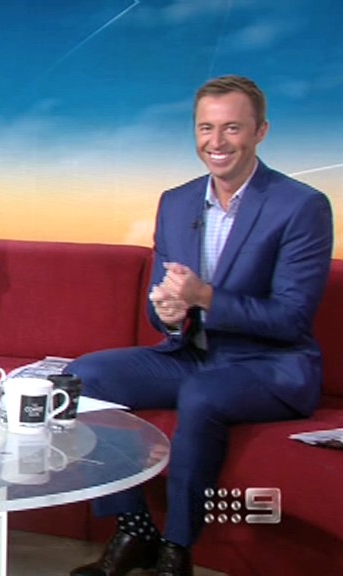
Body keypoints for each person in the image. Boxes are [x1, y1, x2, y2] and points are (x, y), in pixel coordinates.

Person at [68, 76, 334, 576]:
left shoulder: (301, 206)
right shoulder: (177, 202)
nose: (217, 141)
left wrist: (204, 297)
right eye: (206, 128)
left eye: (232, 128)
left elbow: (291, 317)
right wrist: (170, 314)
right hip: (192, 355)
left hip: (272, 366)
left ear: (260, 132)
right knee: (87, 376)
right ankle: (134, 529)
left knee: (202, 394)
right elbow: (161, 304)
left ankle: (178, 547)